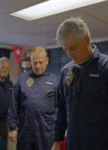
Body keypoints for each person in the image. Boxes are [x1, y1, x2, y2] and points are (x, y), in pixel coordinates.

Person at [52, 17, 108, 150]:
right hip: (73, 144)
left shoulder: (105, 67)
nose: (70, 55)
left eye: (73, 48)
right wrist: (57, 140)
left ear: (87, 40)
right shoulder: (66, 72)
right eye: (66, 50)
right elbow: (61, 109)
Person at [8, 46, 58, 150]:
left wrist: (59, 133)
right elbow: (13, 104)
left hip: (46, 131)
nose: (38, 66)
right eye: (35, 63)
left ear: (47, 61)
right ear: (30, 62)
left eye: (41, 62)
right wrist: (12, 128)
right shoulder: (22, 79)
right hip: (25, 130)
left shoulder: (55, 81)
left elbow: (61, 108)